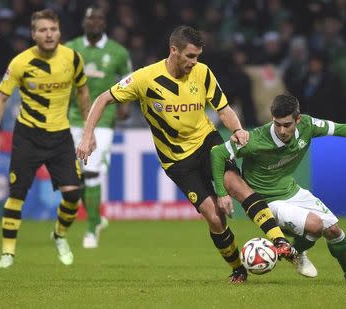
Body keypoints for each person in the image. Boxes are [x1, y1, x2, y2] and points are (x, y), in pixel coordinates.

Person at [77, 25, 295, 283]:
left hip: (207, 142)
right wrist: (88, 135)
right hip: (177, 160)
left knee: (234, 184)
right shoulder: (146, 78)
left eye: (198, 56)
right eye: (190, 56)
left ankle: (279, 241)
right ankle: (238, 268)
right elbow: (103, 98)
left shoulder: (202, 73)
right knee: (214, 217)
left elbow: (223, 108)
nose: (195, 62)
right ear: (174, 51)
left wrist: (237, 129)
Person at [211, 94, 346, 282]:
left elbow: (340, 128)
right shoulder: (254, 139)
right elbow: (218, 153)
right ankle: (295, 252)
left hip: (291, 191)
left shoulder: (308, 125)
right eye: (277, 124)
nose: (282, 130)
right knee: (316, 225)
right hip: (266, 203)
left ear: (298, 119)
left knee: (334, 230)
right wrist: (221, 193)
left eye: (287, 125)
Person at [0, 9, 90, 268]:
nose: (49, 34)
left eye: (52, 29)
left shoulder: (72, 59)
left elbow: (84, 93)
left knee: (73, 194)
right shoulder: (20, 62)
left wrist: (88, 132)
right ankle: (7, 254)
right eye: (42, 30)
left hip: (60, 136)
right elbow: (0, 99)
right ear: (33, 34)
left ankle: (59, 235)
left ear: (59, 32)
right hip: (28, 136)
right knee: (16, 194)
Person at [66, 5, 132, 249]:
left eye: (99, 19)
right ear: (84, 22)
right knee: (76, 176)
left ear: (105, 23)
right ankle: (97, 218)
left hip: (103, 120)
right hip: (72, 117)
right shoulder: (71, 48)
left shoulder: (118, 52)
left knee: (91, 170)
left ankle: (91, 229)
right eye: (90, 18)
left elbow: (129, 80)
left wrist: (125, 105)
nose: (94, 22)